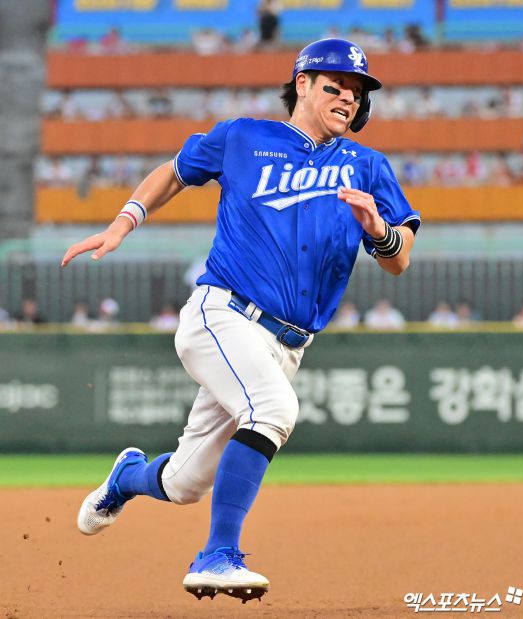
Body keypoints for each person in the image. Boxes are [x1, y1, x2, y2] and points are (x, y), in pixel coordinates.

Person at [61, 38, 420, 603]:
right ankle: (218, 555)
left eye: (356, 92)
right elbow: (175, 172)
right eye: (335, 86)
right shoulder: (243, 138)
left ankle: (126, 477)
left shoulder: (368, 166)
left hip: (288, 345)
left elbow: (399, 260)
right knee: (273, 410)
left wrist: (379, 232)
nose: (348, 98)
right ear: (302, 84)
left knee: (184, 483)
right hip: (224, 313)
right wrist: (121, 224)